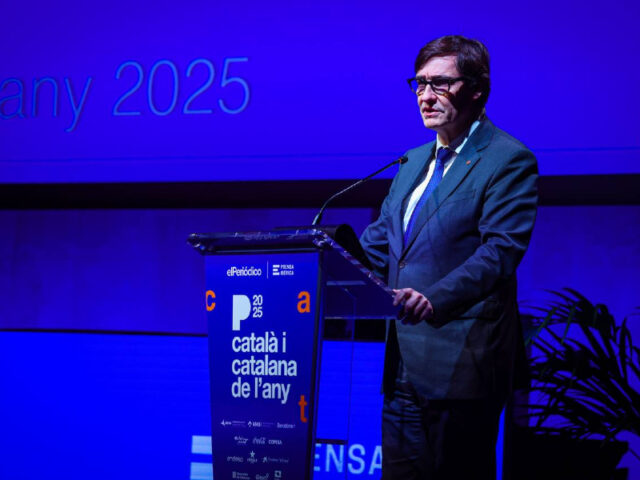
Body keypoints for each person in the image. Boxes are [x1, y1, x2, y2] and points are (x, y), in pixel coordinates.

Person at [360, 35, 538, 479]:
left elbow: (500, 252)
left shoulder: (508, 159)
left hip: (462, 363)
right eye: (419, 83)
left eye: (440, 83)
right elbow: (379, 245)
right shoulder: (412, 162)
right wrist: (313, 261)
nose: (425, 95)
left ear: (476, 89)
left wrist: (433, 298)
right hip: (402, 365)